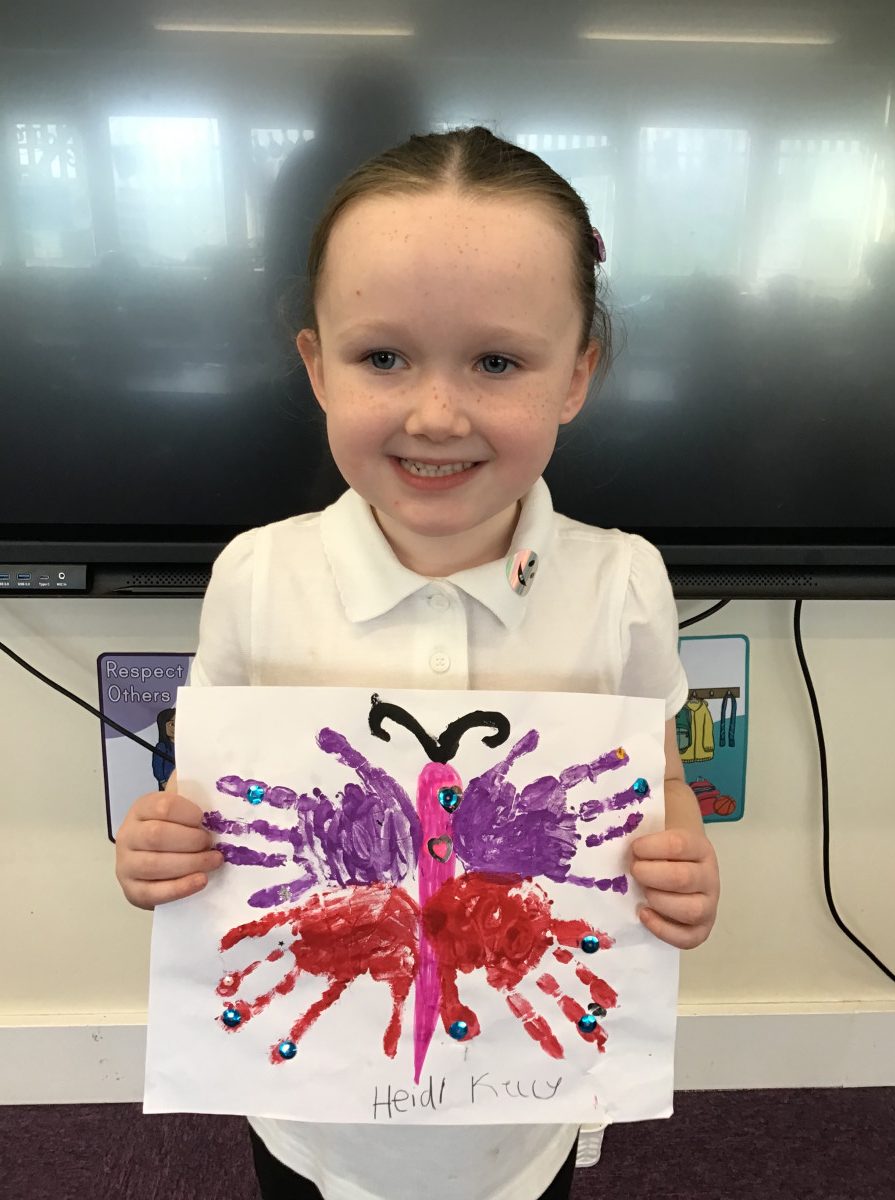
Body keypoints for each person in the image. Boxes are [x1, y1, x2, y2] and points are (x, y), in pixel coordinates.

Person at [115, 124, 720, 1200]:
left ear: (577, 374)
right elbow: (202, 804)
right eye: (383, 357)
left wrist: (683, 861)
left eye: (497, 362)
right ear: (317, 366)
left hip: (524, 1124)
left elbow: (660, 781)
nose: (437, 414)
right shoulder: (257, 575)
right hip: (311, 1119)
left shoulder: (623, 582)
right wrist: (161, 851)